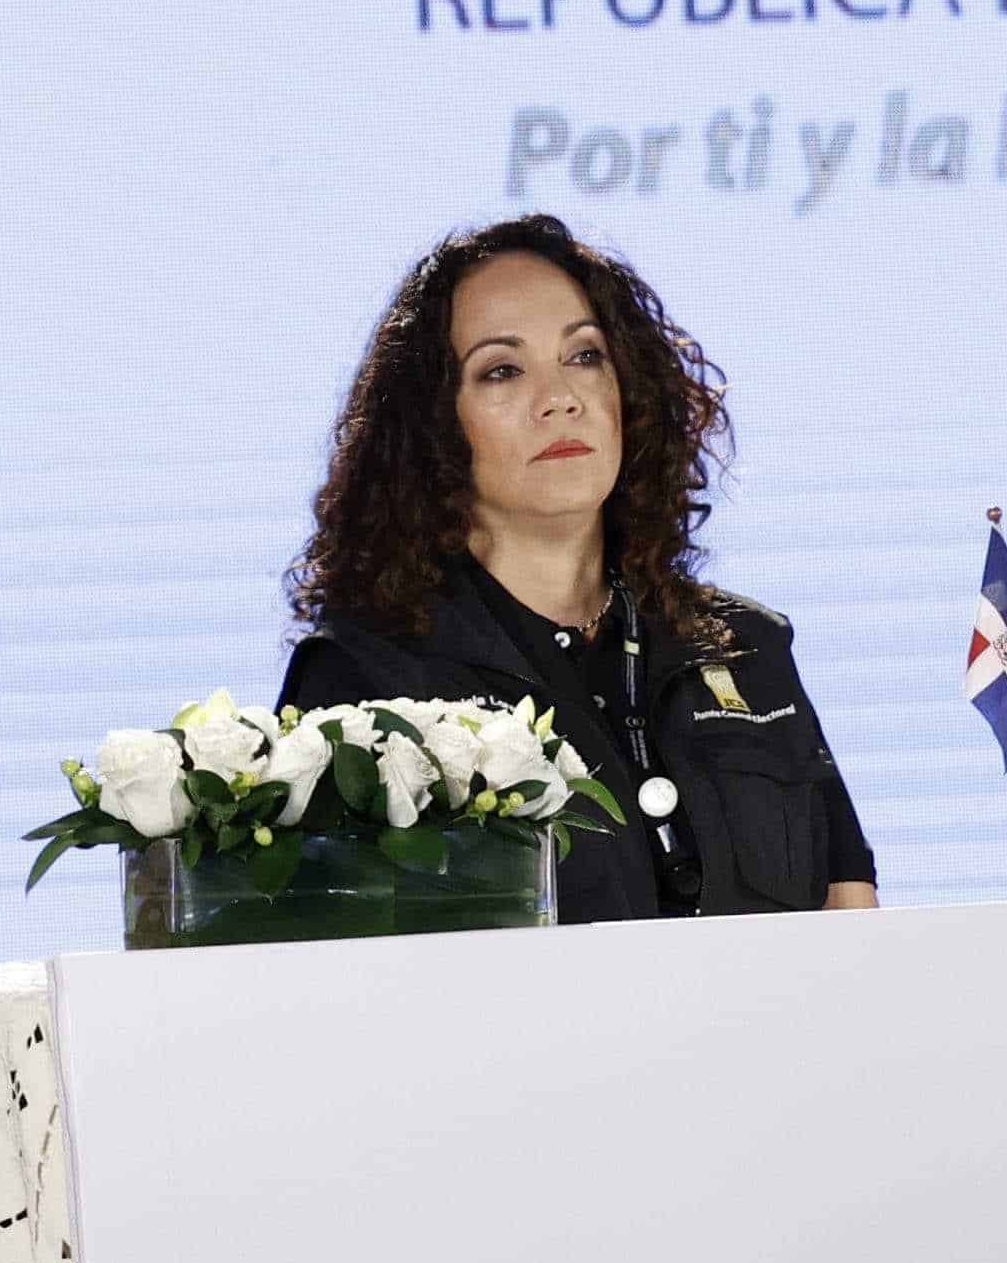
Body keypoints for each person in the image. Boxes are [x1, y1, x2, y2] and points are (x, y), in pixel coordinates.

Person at [278, 213, 877, 919]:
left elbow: (849, 919)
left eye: (585, 355)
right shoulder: (365, 676)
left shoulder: (749, 647)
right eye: (502, 370)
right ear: (435, 428)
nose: (560, 396)